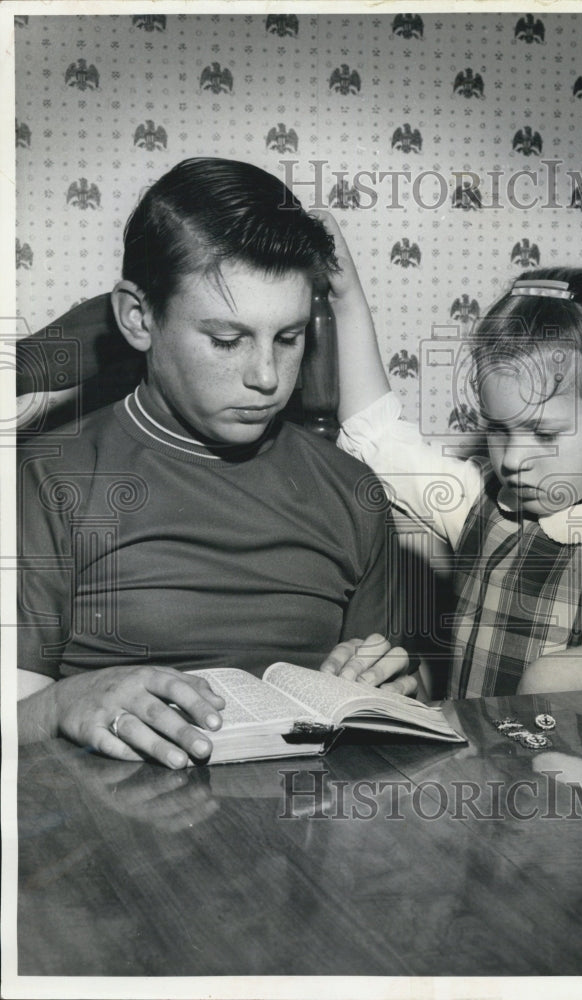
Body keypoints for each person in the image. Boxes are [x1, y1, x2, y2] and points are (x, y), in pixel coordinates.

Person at [17, 158, 414, 770]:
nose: (267, 377)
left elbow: (391, 697)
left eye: (289, 338)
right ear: (139, 318)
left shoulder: (352, 489)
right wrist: (62, 702)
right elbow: (13, 717)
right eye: (228, 341)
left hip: (307, 809)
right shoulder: (49, 479)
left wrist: (387, 687)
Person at [324, 220, 582, 698]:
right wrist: (346, 297)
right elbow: (377, 435)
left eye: (545, 433)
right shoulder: (477, 500)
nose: (513, 460)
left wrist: (551, 675)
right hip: (472, 748)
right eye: (499, 429)